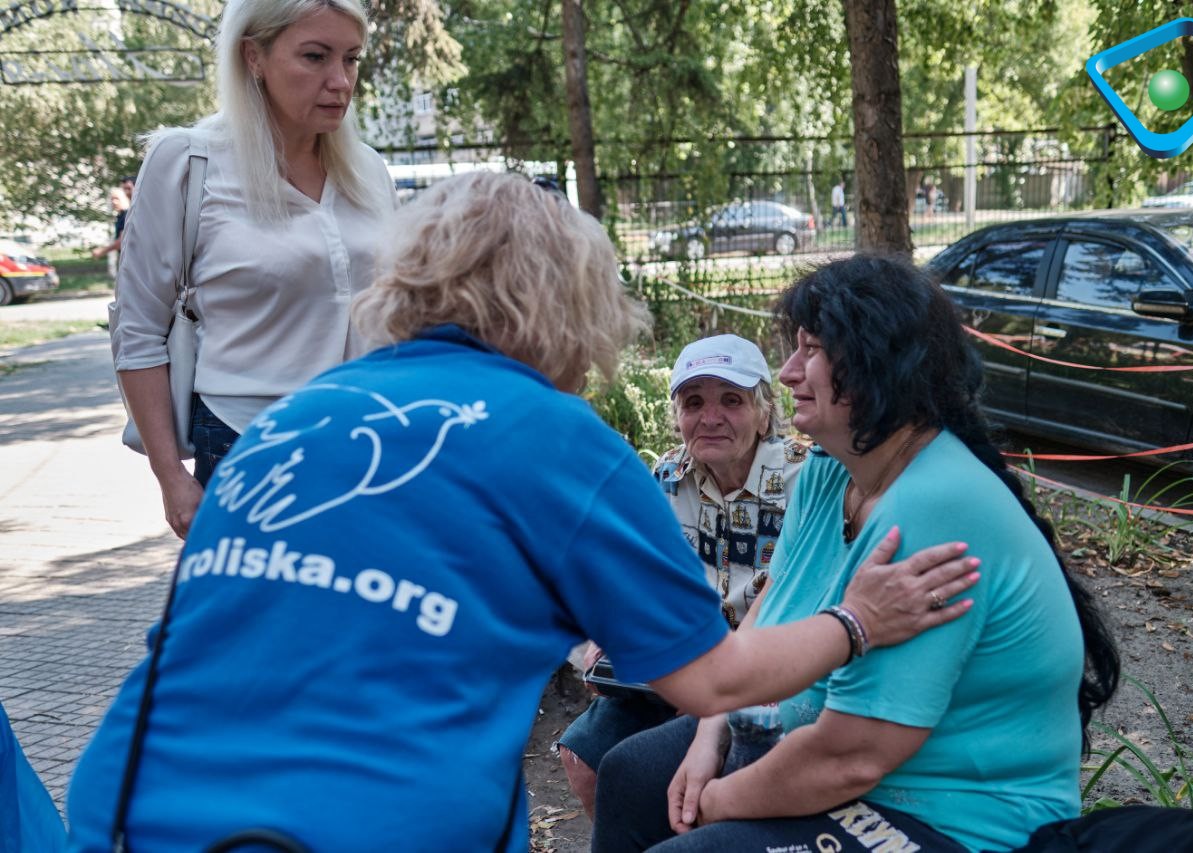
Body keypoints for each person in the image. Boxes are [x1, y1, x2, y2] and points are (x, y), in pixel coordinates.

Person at [64, 173, 980, 852]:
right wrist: (859, 619)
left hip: (123, 804)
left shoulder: (297, 415)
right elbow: (716, 679)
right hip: (354, 826)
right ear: (570, 302)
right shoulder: (557, 439)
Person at [592, 254, 1120, 852]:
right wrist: (711, 730)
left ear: (878, 364)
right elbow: (773, 602)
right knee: (631, 775)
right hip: (820, 741)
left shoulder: (935, 505)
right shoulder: (826, 472)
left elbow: (852, 759)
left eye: (811, 350)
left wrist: (717, 800)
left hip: (943, 814)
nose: (788, 373)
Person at [109, 0, 397, 540]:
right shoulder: (189, 162)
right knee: (263, 624)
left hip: (368, 448)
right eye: (315, 56)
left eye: (352, 59)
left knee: (360, 622)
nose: (340, 81)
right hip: (247, 449)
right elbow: (139, 331)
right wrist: (170, 476)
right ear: (253, 57)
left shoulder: (370, 172)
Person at [557, 333, 810, 818]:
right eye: (694, 402)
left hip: (766, 676)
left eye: (731, 401)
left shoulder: (805, 480)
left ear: (763, 411)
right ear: (677, 414)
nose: (710, 417)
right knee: (584, 758)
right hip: (674, 666)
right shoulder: (668, 477)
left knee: (690, 787)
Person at [90, 186, 131, 277]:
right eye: (112, 199)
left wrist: (102, 251)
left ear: (124, 198)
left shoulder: (127, 215)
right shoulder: (121, 216)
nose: (114, 202)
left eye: (117, 198)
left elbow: (122, 241)